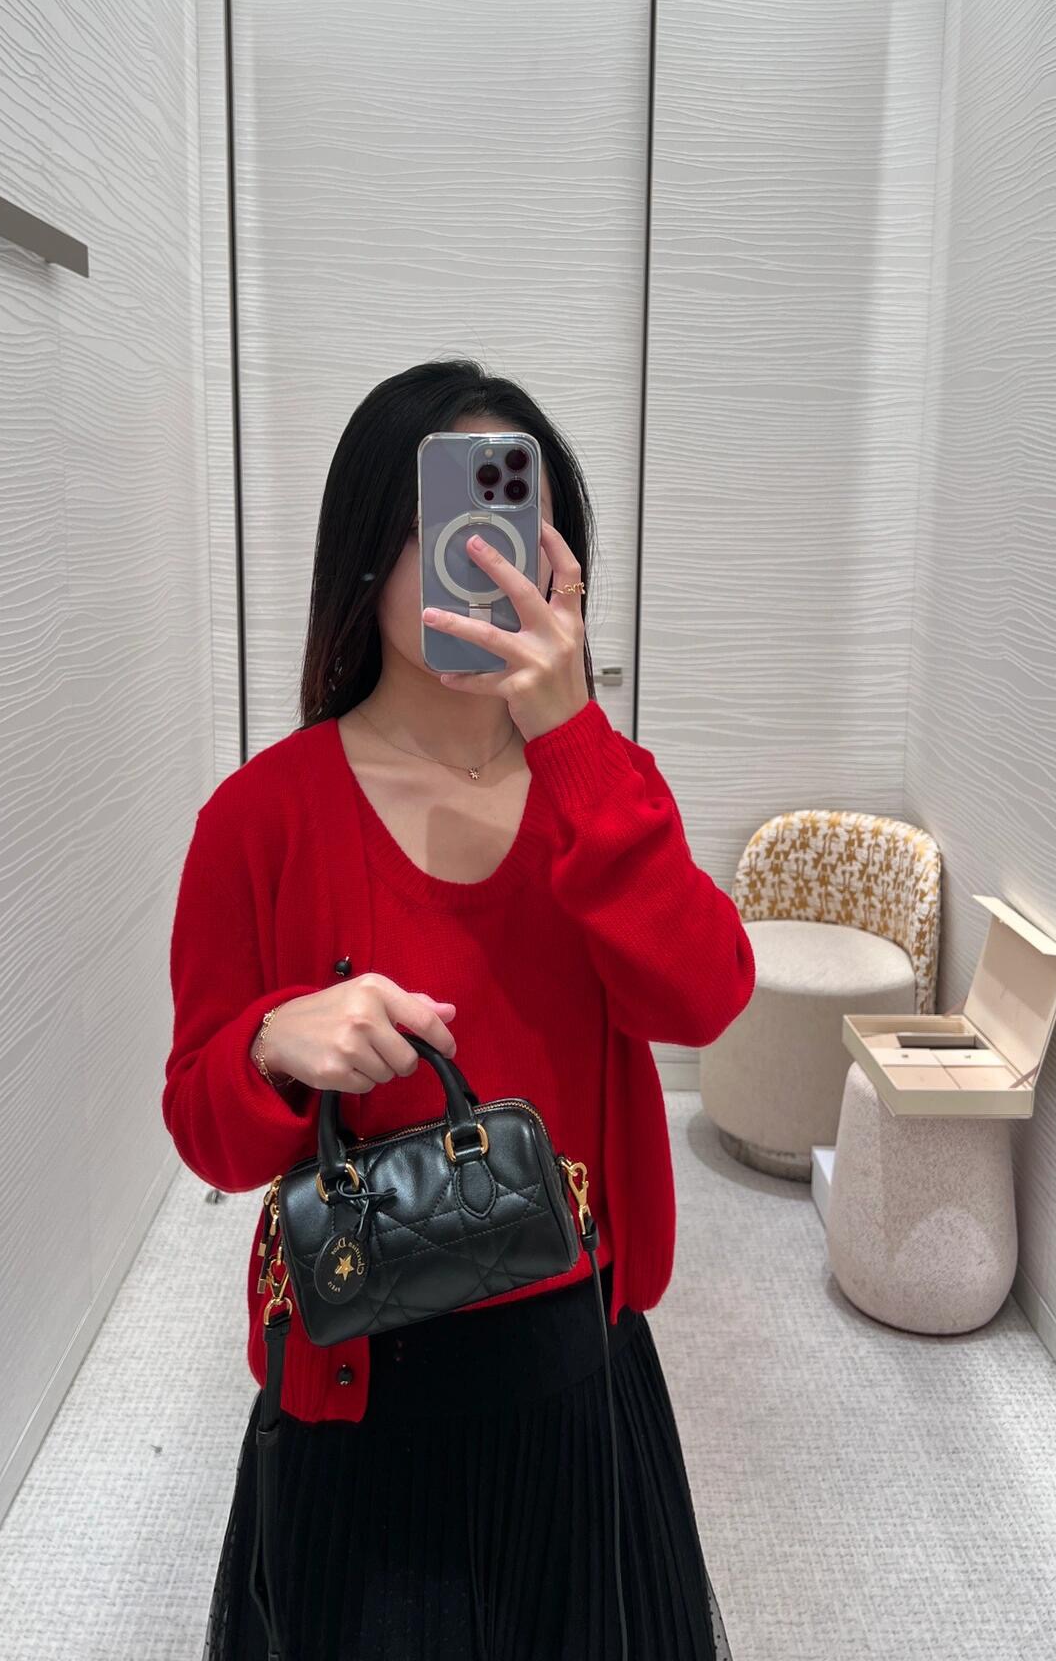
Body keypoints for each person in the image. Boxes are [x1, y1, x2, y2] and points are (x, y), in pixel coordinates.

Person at [163, 357, 755, 1660]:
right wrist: (267, 1045)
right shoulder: (260, 820)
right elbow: (203, 1127)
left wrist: (573, 731)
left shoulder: (601, 788)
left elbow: (707, 994)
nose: (482, 564)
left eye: (512, 527)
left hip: (576, 1368)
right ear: (368, 554)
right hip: (361, 1393)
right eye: (443, 525)